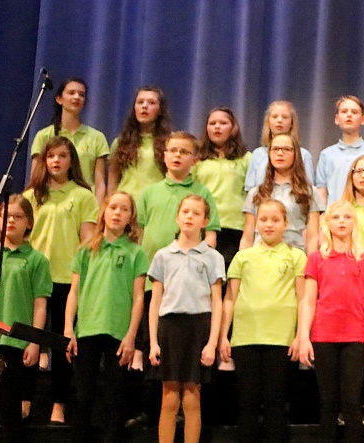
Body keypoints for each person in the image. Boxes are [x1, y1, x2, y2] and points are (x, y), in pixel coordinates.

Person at [22, 135, 97, 424]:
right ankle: (25, 399)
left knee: (62, 344)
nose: (56, 161)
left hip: (67, 278)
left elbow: (88, 241)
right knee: (29, 340)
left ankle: (59, 404)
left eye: (62, 156)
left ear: (71, 161)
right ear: (43, 161)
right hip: (34, 277)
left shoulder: (82, 196)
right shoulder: (31, 196)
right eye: (50, 156)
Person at [220, 199, 307, 443]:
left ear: (285, 223)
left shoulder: (296, 256)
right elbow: (229, 299)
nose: (269, 224)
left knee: (276, 402)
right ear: (256, 223)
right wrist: (223, 336)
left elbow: (303, 299)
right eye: (264, 219)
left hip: (280, 339)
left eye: (275, 220)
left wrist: (301, 335)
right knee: (247, 402)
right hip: (246, 338)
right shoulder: (243, 257)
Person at [65, 192, 148, 443]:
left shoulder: (136, 253)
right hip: (87, 330)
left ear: (130, 218)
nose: (117, 213)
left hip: (118, 332)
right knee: (82, 395)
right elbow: (74, 293)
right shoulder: (86, 250)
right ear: (104, 212)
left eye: (124, 209)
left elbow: (138, 298)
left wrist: (131, 336)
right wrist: (69, 328)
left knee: (114, 396)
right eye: (113, 207)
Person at [298, 200, 364, 442]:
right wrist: (304, 337)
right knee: (328, 404)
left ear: (354, 223)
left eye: (347, 217)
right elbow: (309, 301)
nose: (342, 222)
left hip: (355, 337)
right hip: (323, 337)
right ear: (328, 223)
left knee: (352, 403)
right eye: (336, 217)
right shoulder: (316, 259)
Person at [147, 195, 225, 443]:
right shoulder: (163, 255)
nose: (189, 217)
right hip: (170, 327)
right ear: (177, 216)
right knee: (169, 397)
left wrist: (212, 343)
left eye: (196, 213)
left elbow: (217, 302)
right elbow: (155, 301)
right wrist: (153, 342)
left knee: (192, 396)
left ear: (205, 221)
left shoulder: (212, 257)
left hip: (198, 326)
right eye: (185, 212)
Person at [0, 197, 51, 439]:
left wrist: (34, 342)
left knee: (9, 407)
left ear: (29, 223)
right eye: (6, 216)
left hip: (15, 342)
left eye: (18, 216)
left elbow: (39, 305)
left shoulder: (36, 260)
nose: (11, 220)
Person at [137, 132, 222, 268]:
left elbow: (210, 235)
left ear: (195, 160)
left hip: (188, 272)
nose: (177, 155)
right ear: (165, 156)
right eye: (173, 151)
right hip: (151, 270)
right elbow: (137, 233)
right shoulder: (149, 192)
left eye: (184, 152)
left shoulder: (202, 193)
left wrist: (199, 260)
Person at [240, 133, 324, 253]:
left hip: (293, 258)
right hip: (260, 258)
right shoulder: (256, 193)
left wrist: (310, 268)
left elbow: (312, 238)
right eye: (275, 149)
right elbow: (247, 238)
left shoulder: (309, 192)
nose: (280, 153)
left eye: (286, 149)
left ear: (296, 154)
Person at [30, 77, 110, 201]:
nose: (77, 97)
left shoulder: (97, 138)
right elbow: (36, 178)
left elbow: (99, 184)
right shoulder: (44, 136)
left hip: (85, 203)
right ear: (59, 99)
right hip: (51, 203)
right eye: (71, 93)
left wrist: (96, 213)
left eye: (81, 95)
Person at [195, 107, 251, 266]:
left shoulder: (246, 159)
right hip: (203, 227)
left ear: (233, 128)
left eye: (223, 123)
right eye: (212, 123)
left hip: (234, 227)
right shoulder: (198, 159)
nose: (217, 127)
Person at [315, 95, 364, 206]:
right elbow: (322, 191)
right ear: (337, 119)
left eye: (354, 112)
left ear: (363, 119)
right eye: (344, 111)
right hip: (335, 217)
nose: (349, 115)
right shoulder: (326, 154)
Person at [107, 85, 172, 199]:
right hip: (126, 206)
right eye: (140, 102)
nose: (144, 106)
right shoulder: (120, 142)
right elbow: (112, 182)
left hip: (156, 204)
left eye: (151, 103)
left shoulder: (171, 142)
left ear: (160, 110)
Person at [243, 100, 316, 191]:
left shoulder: (303, 155)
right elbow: (250, 190)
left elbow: (309, 190)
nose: (279, 120)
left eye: (285, 117)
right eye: (274, 117)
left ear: (291, 123)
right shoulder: (258, 154)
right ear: (268, 122)